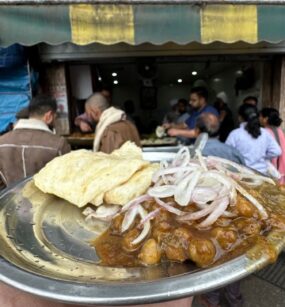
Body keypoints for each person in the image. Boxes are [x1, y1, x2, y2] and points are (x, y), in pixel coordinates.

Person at [0, 95, 71, 189]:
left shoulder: (2, 142)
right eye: (55, 117)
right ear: (49, 116)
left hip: (12, 202)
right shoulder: (58, 144)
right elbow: (68, 181)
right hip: (47, 203)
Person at [226, 104, 281, 175]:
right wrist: (262, 156)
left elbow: (226, 154)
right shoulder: (264, 133)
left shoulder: (235, 134)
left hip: (242, 174)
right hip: (262, 174)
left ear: (240, 117)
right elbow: (277, 151)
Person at [260, 107, 285, 183]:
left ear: (266, 119)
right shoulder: (279, 130)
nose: (259, 118)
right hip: (282, 167)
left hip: (272, 168)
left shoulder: (264, 132)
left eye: (260, 116)